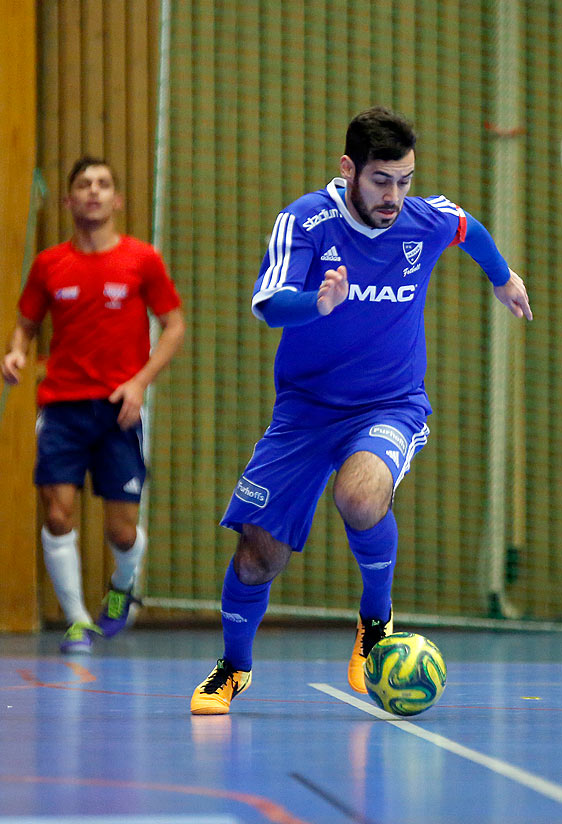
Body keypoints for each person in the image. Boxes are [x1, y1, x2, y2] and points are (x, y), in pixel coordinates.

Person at [190, 105, 532, 714]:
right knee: (257, 553)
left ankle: (375, 623)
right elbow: (268, 305)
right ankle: (234, 667)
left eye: (404, 180)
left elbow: (470, 230)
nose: (394, 196)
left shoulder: (424, 220)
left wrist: (502, 278)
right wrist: (315, 307)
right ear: (349, 168)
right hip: (305, 410)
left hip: (391, 403)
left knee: (360, 493)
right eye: (381, 180)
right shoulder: (306, 222)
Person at [1, 157, 186, 653]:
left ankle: (123, 586)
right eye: (84, 185)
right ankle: (78, 620)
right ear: (69, 201)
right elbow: (26, 323)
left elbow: (174, 326)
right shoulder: (48, 265)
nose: (94, 192)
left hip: (119, 411)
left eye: (104, 184)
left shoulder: (142, 260)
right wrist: (17, 350)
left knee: (122, 531)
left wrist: (141, 383)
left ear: (117, 200)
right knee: (58, 514)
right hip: (61, 408)